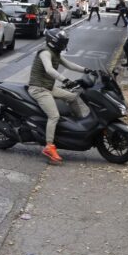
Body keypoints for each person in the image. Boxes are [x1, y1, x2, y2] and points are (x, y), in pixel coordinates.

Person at [28, 29, 93, 164]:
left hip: (48, 88)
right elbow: (49, 70)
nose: (64, 46)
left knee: (73, 97)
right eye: (62, 43)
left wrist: (86, 70)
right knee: (54, 116)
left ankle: (78, 125)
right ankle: (49, 146)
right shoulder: (45, 52)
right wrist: (65, 80)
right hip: (39, 89)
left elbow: (69, 64)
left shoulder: (55, 53)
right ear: (54, 42)